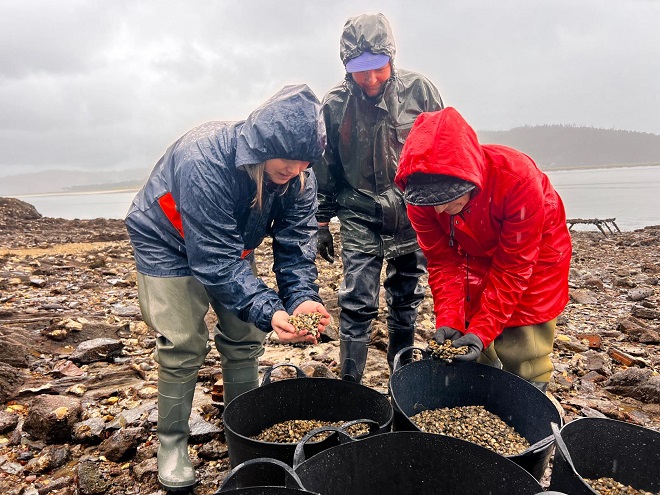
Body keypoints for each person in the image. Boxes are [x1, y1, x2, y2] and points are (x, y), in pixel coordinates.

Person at [125, 84, 331, 492]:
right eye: (287, 158)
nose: (294, 169)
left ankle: (242, 430)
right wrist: (271, 309)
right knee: (183, 343)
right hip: (165, 240)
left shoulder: (299, 179)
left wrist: (302, 299)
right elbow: (214, 261)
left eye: (304, 160)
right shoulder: (204, 160)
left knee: (245, 336)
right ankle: (172, 444)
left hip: (231, 244)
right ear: (263, 144)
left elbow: (296, 247)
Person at [394, 107, 572, 392]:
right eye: (431, 201)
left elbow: (513, 267)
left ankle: (527, 394)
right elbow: (443, 262)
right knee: (468, 329)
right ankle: (478, 384)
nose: (439, 209)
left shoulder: (516, 178)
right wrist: (451, 320)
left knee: (523, 337)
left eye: (448, 197)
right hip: (469, 250)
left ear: (470, 179)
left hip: (536, 251)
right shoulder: (419, 197)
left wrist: (483, 330)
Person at [314, 13, 444, 383]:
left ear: (391, 57)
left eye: (377, 67)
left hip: (412, 213)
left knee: (406, 298)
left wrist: (446, 213)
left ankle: (401, 381)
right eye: (360, 70)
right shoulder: (334, 104)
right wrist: (321, 222)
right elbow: (326, 167)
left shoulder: (420, 91)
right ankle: (349, 386)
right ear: (346, 66)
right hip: (358, 212)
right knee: (356, 301)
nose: (370, 78)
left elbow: (442, 150)